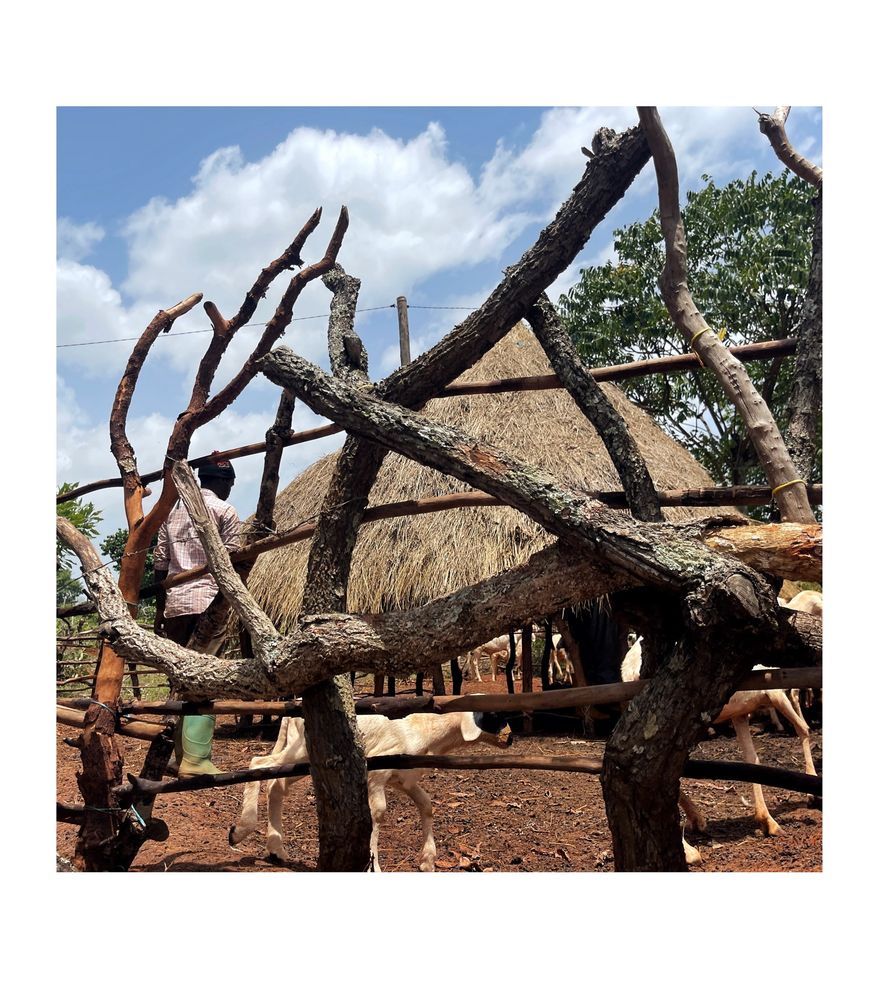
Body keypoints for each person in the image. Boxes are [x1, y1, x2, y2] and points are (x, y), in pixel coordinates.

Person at [153, 453, 242, 775]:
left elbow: (160, 565)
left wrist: (161, 610)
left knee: (180, 676)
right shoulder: (225, 511)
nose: (231, 488)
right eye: (230, 483)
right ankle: (196, 759)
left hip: (176, 605)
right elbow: (234, 562)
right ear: (221, 481)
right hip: (209, 602)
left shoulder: (173, 514)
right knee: (206, 679)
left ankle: (178, 754)